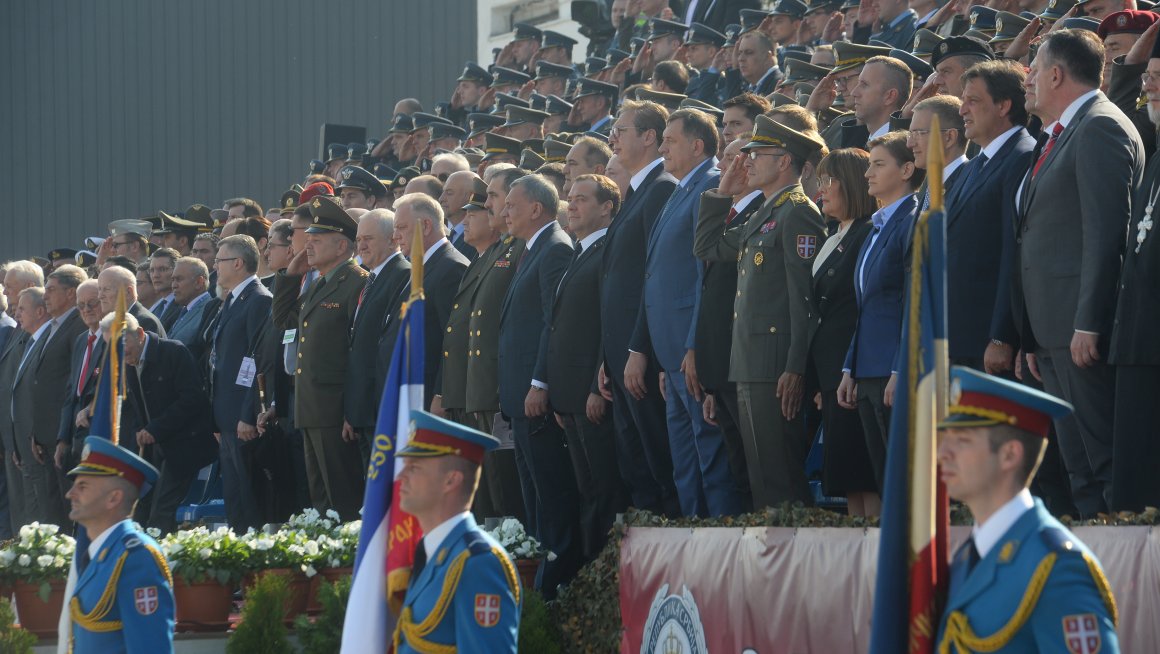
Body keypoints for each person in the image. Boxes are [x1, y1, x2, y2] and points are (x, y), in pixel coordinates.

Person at [1013, 29, 1144, 518]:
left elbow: (1106, 233)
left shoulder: (1100, 127)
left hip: (1080, 332)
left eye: (1033, 68)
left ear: (1055, 73)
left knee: (1103, 462)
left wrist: (1089, 321)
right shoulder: (1064, 133)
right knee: (1078, 466)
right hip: (1053, 333)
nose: (1026, 78)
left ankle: (1124, 577)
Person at [935, 366, 1119, 653]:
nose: (942, 453)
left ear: (1010, 454)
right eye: (946, 440)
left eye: (962, 441)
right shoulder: (968, 556)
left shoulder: (1058, 566)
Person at [696, 116, 828, 509]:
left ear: (784, 161)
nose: (746, 162)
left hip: (775, 366)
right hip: (750, 363)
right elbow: (708, 248)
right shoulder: (765, 212)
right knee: (761, 481)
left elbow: (804, 301)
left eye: (757, 154)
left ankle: (798, 565)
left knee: (781, 479)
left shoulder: (798, 213)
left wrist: (795, 367)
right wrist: (722, 193)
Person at [634, 108, 745, 517]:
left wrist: (693, 345)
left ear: (697, 146)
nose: (662, 147)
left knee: (710, 460)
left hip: (690, 351)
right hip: (673, 356)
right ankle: (692, 557)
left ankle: (718, 559)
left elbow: (706, 277)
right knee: (686, 465)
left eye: (670, 140)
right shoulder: (682, 188)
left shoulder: (711, 186)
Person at [496, 174, 582, 596]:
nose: (504, 212)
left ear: (536, 208)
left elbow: (554, 321)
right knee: (533, 500)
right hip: (518, 399)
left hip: (535, 398)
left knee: (551, 498)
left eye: (512, 204)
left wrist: (539, 381)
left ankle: (556, 583)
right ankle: (538, 583)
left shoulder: (554, 249)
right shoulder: (530, 250)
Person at [601, 101, 680, 517]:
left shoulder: (661, 188)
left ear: (649, 137)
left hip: (641, 357)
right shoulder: (634, 193)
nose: (612, 138)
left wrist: (638, 347)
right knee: (636, 467)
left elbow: (654, 277)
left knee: (659, 463)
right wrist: (607, 356)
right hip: (619, 358)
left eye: (622, 129)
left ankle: (675, 573)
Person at [547, 174, 630, 560]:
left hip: (592, 392)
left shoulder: (607, 251)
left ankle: (607, 575)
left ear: (607, 207)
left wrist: (598, 385)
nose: (572, 205)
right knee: (588, 491)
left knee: (604, 490)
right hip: (571, 396)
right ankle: (589, 577)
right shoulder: (581, 251)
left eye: (582, 199)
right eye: (570, 198)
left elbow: (608, 320)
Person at [273, 196, 368, 520]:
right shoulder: (318, 285)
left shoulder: (356, 281)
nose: (307, 247)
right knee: (321, 502)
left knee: (344, 500)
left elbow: (357, 353)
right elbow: (283, 321)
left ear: (342, 247)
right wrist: (288, 276)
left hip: (334, 409)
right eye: (307, 240)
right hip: (311, 407)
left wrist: (351, 411)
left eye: (316, 241)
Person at [393, 410, 519, 653]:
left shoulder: (478, 563)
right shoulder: (431, 552)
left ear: (451, 480)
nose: (401, 476)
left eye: (414, 468)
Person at [837, 131, 921, 493]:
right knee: (885, 478)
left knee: (903, 479)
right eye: (869, 165)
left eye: (878, 165)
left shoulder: (912, 221)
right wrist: (848, 367)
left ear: (906, 169)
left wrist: (901, 367)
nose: (868, 173)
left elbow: (912, 303)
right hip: (868, 369)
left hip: (892, 371)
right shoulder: (875, 228)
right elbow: (866, 305)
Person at [806, 148, 880, 515]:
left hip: (853, 373)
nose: (821, 190)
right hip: (831, 375)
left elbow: (861, 308)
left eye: (827, 180)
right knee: (848, 478)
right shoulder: (835, 233)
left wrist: (843, 373)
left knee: (865, 474)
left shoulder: (867, 232)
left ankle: (876, 558)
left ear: (850, 183)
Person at [949, 61, 1035, 373]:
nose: (962, 111)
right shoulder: (973, 165)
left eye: (972, 101)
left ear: (1003, 106)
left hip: (988, 342)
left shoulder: (1023, 157)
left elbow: (1014, 250)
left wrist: (1002, 335)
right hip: (958, 337)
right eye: (962, 101)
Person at [1108, 35, 1160, 512]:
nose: (1152, 89)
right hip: (1139, 340)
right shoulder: (1156, 148)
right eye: (1152, 78)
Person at [63, 436, 175, 652]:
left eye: (82, 486)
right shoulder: (101, 554)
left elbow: (150, 647)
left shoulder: (136, 557)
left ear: (113, 498)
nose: (70, 493)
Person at [114, 312, 217, 534]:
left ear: (140, 334)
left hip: (184, 446)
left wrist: (155, 429)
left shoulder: (173, 352)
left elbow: (193, 399)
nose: (121, 355)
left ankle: (162, 563)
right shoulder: (128, 362)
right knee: (139, 509)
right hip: (153, 449)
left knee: (162, 511)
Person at [463, 166, 527, 525]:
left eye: (494, 196)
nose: (489, 206)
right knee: (490, 485)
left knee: (505, 487)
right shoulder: (497, 250)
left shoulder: (519, 248)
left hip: (500, 383)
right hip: (484, 384)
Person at [209, 235, 273, 531]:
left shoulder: (258, 299)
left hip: (243, 421)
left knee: (251, 505)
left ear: (238, 263)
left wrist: (248, 414)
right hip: (227, 420)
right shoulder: (233, 300)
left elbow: (257, 359)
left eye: (219, 261)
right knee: (235, 504)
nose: (215, 267)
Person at [391, 193, 470, 410]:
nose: (396, 236)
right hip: (412, 389)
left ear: (426, 226)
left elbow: (453, 338)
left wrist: (442, 392)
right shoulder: (422, 265)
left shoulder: (451, 267)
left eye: (401, 228)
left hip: (429, 393)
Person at [346, 210, 410, 466]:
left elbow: (388, 345)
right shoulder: (373, 277)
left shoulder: (402, 274)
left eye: (369, 238)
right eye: (359, 238)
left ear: (392, 239)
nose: (361, 245)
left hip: (382, 408)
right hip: (364, 410)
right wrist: (352, 410)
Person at [96, 266, 166, 337]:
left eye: (107, 289)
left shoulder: (144, 322)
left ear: (128, 292)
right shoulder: (112, 322)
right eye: (99, 289)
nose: (100, 296)